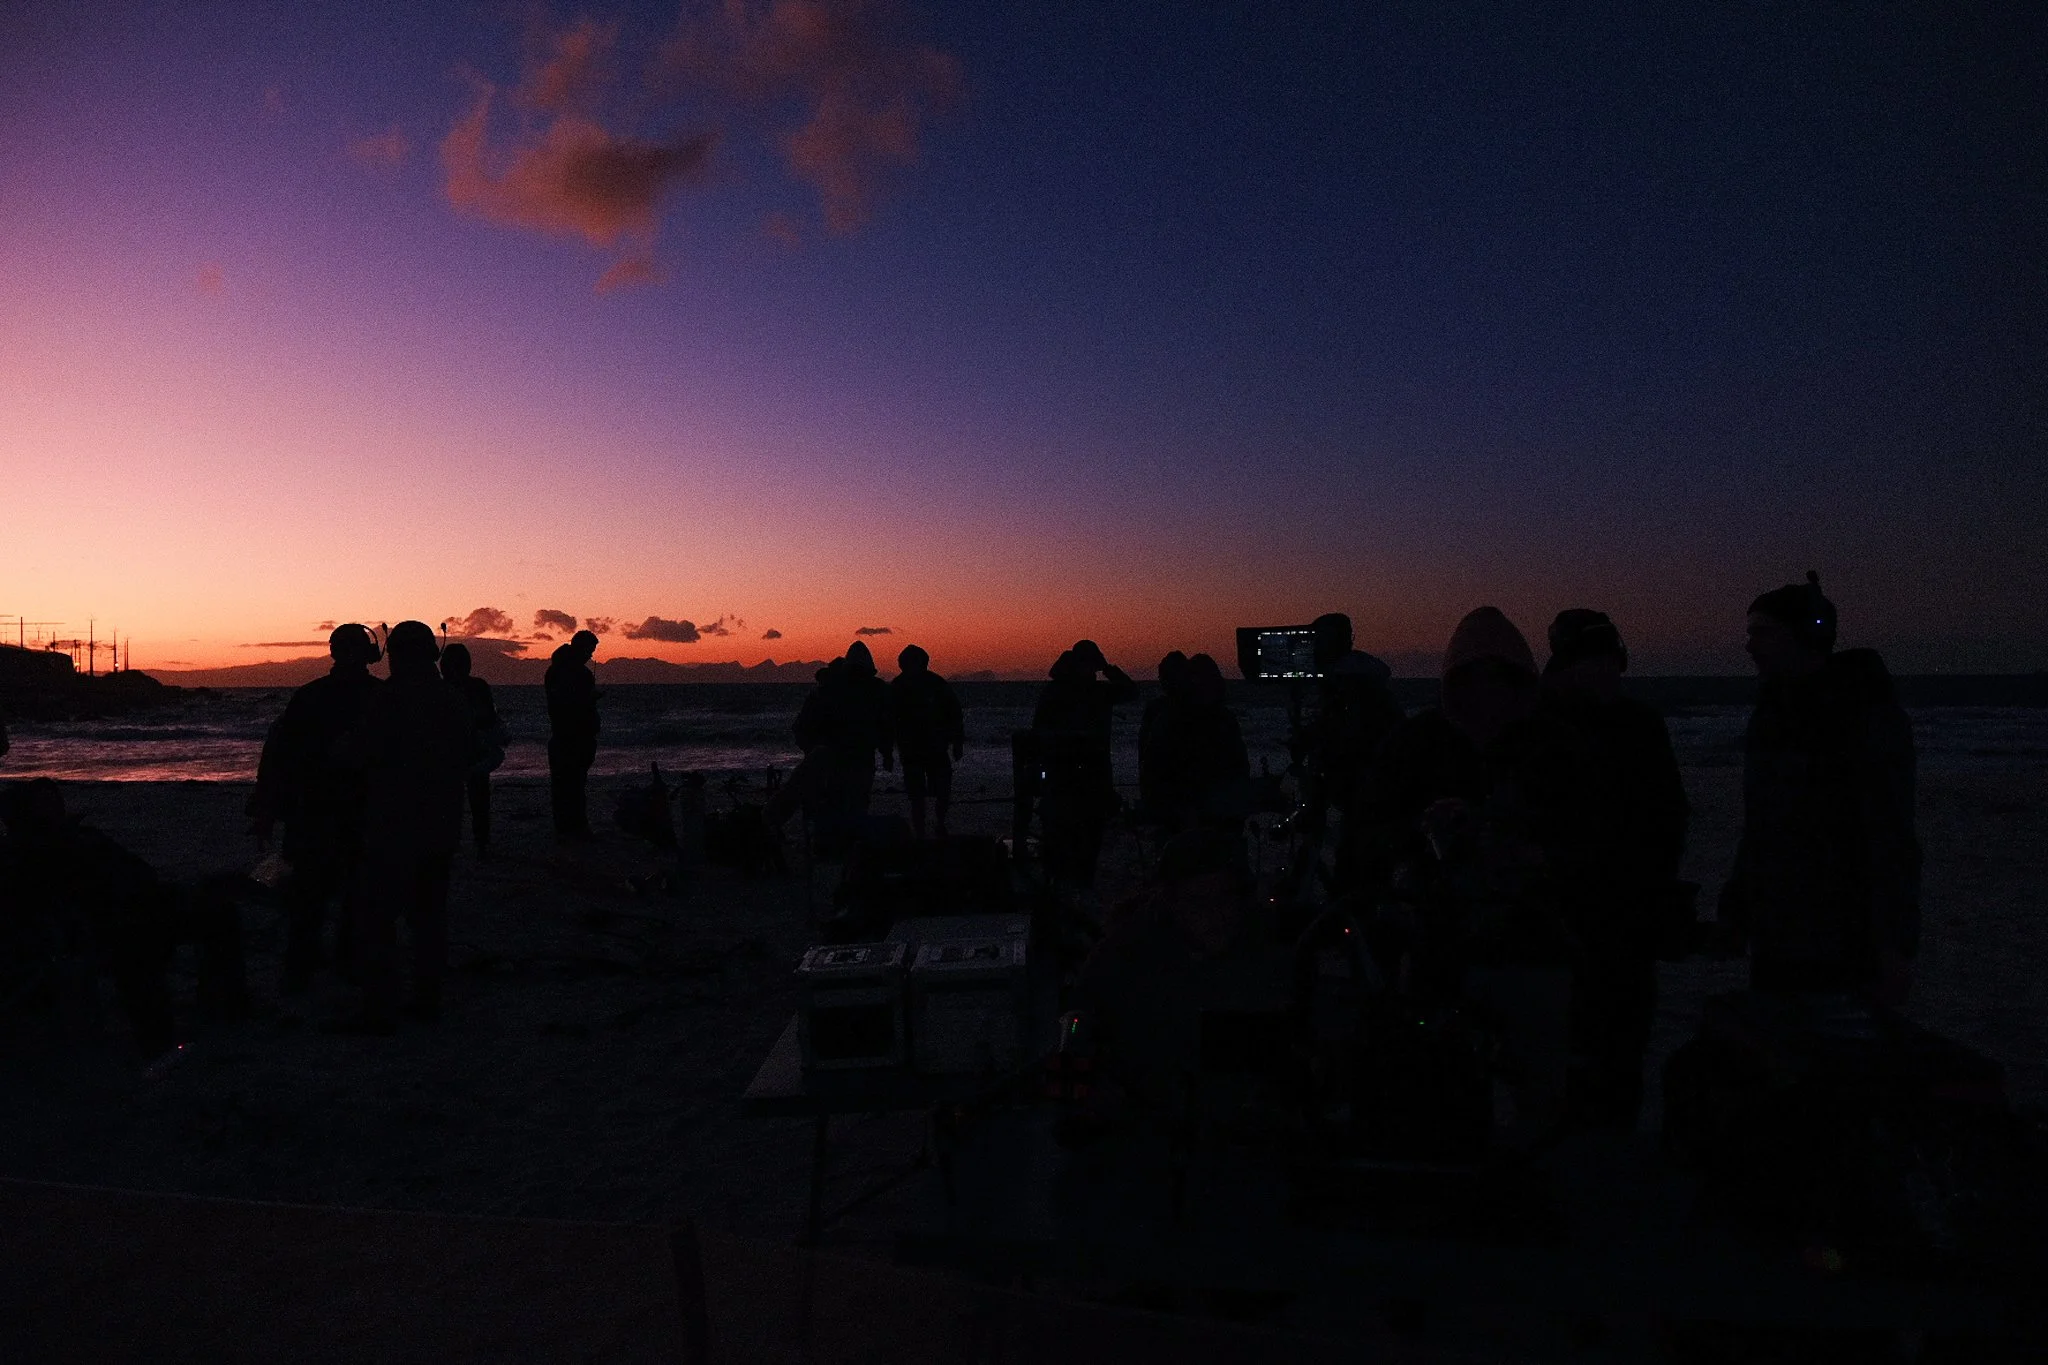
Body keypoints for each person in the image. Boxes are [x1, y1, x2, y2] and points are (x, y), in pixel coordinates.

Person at [1352, 607, 1592, 1141]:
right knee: (1441, 1075)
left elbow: (1598, 837)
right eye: (1472, 675)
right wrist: (1423, 833)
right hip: (1438, 940)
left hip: (1536, 939)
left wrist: (1532, 852)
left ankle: (1532, 1176)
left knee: (1539, 1081)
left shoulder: (1559, 746)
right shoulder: (1416, 742)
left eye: (1500, 677)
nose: (1487, 691)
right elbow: (1368, 830)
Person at [1716, 573, 1919, 1003]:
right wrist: (1739, 906)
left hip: (1842, 930)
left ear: (1803, 636)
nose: (1749, 646)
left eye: (1762, 633)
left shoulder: (1864, 715)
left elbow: (1889, 834)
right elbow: (1762, 822)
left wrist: (1892, 943)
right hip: (1777, 927)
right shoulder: (1771, 714)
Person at [1539, 609, 1690, 1129]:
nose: (1606, 674)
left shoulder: (1640, 725)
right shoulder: (1539, 726)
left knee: (1622, 1044)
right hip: (1560, 913)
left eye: (1611, 663)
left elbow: (1669, 816)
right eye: (1592, 662)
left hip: (1627, 914)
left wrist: (1652, 886)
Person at [2, 778, 245, 1058]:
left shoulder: (83, 836)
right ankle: (159, 1040)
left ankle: (225, 1006)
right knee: (137, 945)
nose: (56, 807)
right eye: (46, 804)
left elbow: (136, 869)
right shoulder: (26, 857)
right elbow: (41, 910)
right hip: (104, 927)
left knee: (219, 910)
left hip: (140, 905)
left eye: (55, 800)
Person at [339, 621, 473, 1033]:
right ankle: (426, 1000)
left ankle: (381, 1009)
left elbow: (356, 754)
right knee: (429, 919)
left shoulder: (387, 701)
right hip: (440, 828)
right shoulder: (451, 700)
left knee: (379, 920)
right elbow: (471, 753)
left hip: (390, 828)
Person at [247, 623, 382, 993]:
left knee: (310, 898)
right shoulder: (380, 698)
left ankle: (302, 969)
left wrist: (268, 809)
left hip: (312, 813)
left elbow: (278, 757)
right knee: (353, 896)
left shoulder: (309, 697)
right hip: (356, 813)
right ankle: (342, 965)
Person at [1031, 640, 1138, 890]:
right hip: (1071, 776)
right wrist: (1108, 669)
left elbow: (1131, 692)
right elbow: (1131, 691)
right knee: (1071, 837)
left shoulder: (1077, 692)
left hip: (1083, 776)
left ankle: (1070, 886)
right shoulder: (1089, 692)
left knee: (1084, 837)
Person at [765, 643, 894, 847]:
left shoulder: (861, 691)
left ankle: (836, 843)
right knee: (837, 804)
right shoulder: (863, 691)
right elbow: (803, 726)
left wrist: (886, 752)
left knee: (845, 803)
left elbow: (885, 724)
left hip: (852, 757)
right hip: (837, 758)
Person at [889, 644, 964, 839]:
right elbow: (887, 719)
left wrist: (957, 742)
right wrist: (887, 751)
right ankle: (922, 829)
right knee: (917, 794)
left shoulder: (935, 684)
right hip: (914, 749)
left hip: (933, 747)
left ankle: (937, 823)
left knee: (940, 789)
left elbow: (954, 713)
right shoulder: (899, 686)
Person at [440, 642, 506, 858]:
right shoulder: (476, 686)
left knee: (464, 800)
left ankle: (476, 842)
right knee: (473, 800)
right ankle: (479, 842)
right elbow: (489, 716)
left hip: (462, 751)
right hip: (465, 751)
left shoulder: (447, 688)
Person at [544, 630, 601, 841]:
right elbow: (575, 704)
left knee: (563, 785)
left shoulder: (554, 671)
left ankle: (565, 827)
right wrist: (591, 698)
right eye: (590, 651)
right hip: (575, 737)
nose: (590, 656)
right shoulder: (579, 674)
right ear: (582, 648)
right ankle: (576, 827)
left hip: (561, 735)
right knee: (575, 784)